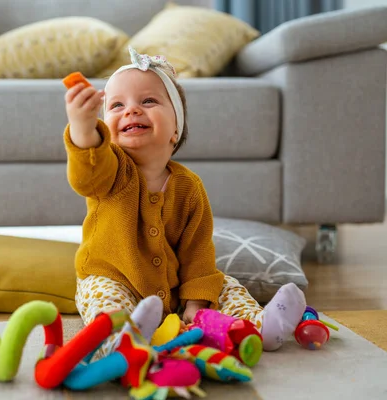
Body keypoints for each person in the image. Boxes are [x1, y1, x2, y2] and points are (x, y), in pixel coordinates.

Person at [63, 46, 306, 357]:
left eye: (148, 101)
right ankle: (124, 342)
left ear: (175, 129)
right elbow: (86, 175)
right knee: (104, 299)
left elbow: (197, 251)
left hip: (172, 288)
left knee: (223, 284)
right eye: (117, 106)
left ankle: (262, 325)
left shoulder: (189, 187)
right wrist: (83, 127)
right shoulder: (110, 170)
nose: (131, 110)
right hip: (113, 278)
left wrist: (195, 298)